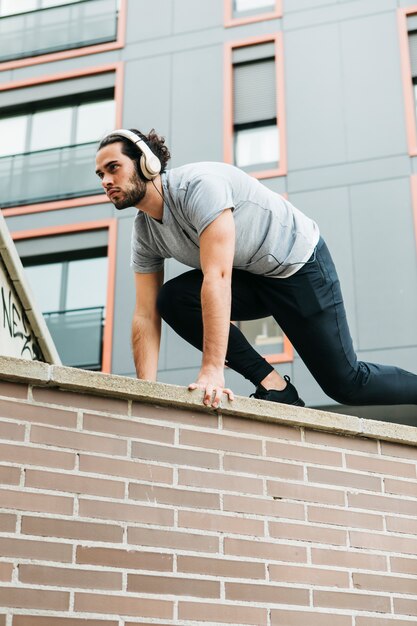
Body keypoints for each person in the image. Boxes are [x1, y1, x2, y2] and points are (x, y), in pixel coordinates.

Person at [95, 128, 417, 410]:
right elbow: (145, 314)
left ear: (147, 163)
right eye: (100, 175)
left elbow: (217, 277)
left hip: (300, 268)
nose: (107, 181)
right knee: (170, 300)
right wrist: (144, 394)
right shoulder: (145, 232)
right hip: (251, 276)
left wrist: (212, 370)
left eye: (114, 168)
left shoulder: (199, 187)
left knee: (347, 384)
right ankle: (275, 387)